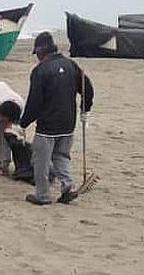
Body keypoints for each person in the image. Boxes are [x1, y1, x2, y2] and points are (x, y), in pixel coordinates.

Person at [19, 32, 94, 205]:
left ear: (40, 50)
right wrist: (85, 108)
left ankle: (42, 195)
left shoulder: (40, 71)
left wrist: (23, 123)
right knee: (61, 157)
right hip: (68, 123)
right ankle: (67, 187)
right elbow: (87, 87)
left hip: (47, 126)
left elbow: (34, 102)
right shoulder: (71, 65)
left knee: (41, 161)